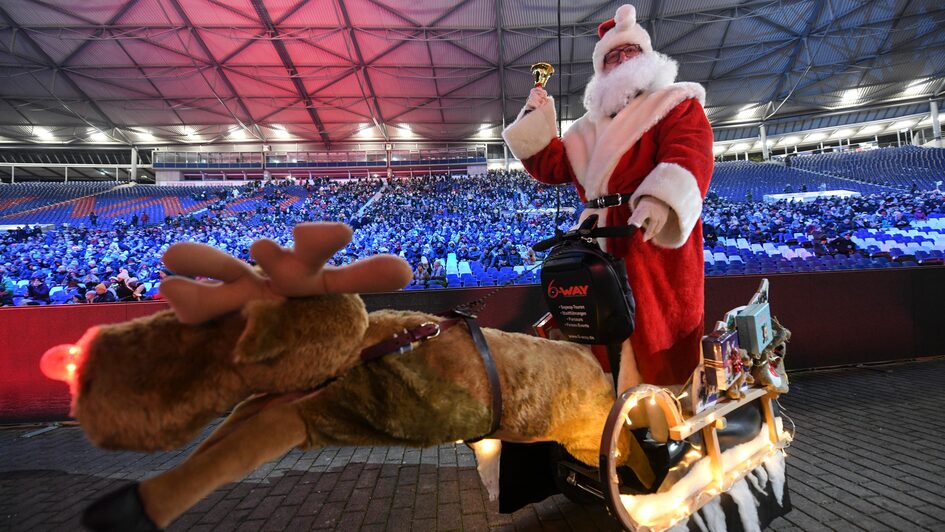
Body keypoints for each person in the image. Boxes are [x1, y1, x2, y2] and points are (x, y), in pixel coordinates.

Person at [503, 4, 713, 390]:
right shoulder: (586, 128)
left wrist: (658, 202)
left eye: (628, 52)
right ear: (601, 69)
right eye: (611, 56)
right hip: (596, 238)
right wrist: (535, 116)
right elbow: (552, 166)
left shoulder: (675, 104)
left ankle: (662, 408)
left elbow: (689, 154)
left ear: (646, 57)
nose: (620, 61)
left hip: (646, 232)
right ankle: (602, 407)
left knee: (655, 325)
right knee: (597, 326)